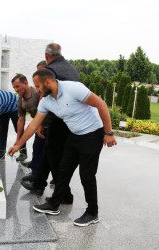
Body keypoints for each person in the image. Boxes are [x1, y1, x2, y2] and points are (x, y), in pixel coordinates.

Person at [9, 69, 117, 227]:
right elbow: (33, 124)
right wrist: (18, 144)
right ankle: (54, 204)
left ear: (47, 82)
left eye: (38, 86)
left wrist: (108, 132)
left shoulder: (74, 88)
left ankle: (93, 212)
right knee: (62, 170)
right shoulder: (46, 100)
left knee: (86, 175)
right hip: (74, 135)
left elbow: (101, 104)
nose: (37, 90)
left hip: (93, 134)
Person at [20, 44, 79, 202]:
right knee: (49, 153)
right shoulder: (72, 69)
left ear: (46, 56)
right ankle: (39, 183)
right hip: (70, 119)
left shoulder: (50, 70)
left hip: (56, 119)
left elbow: (44, 97)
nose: (37, 89)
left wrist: (41, 123)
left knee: (55, 157)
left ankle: (66, 195)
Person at [11, 74, 46, 181]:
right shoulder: (20, 100)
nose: (16, 90)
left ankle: (54, 178)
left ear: (25, 83)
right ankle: (35, 174)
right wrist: (18, 140)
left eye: (18, 86)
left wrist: (41, 125)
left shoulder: (37, 92)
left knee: (51, 154)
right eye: (14, 88)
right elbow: (21, 120)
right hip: (38, 126)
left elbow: (45, 110)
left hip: (49, 125)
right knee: (37, 148)